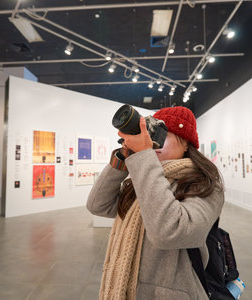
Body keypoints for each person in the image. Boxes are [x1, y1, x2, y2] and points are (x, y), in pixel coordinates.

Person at [87, 106, 224, 300]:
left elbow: (169, 232)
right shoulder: (143, 179)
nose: (153, 143)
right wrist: (121, 160)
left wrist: (143, 157)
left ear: (186, 143)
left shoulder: (205, 185)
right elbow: (97, 205)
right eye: (149, 136)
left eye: (162, 135)